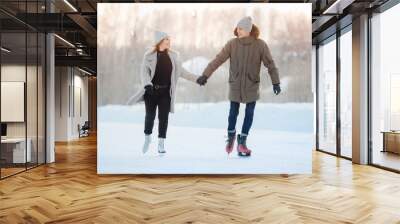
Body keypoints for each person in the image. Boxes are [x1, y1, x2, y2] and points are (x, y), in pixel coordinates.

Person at [196, 16, 281, 157]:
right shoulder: (232, 44)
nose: (238, 31)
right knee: (232, 113)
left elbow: (270, 64)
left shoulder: (260, 45)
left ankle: (242, 141)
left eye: (241, 28)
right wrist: (205, 75)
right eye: (237, 28)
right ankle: (231, 136)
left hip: (252, 84)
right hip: (235, 84)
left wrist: (276, 82)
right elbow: (218, 60)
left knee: (249, 113)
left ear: (249, 30)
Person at [128, 31, 197, 154]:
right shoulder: (148, 56)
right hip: (151, 91)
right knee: (150, 117)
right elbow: (144, 73)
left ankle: (161, 144)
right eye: (166, 39)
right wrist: (147, 84)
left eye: (169, 39)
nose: (169, 41)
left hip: (166, 92)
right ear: (159, 41)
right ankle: (147, 138)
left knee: (163, 118)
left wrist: (198, 79)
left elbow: (183, 72)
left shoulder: (173, 57)